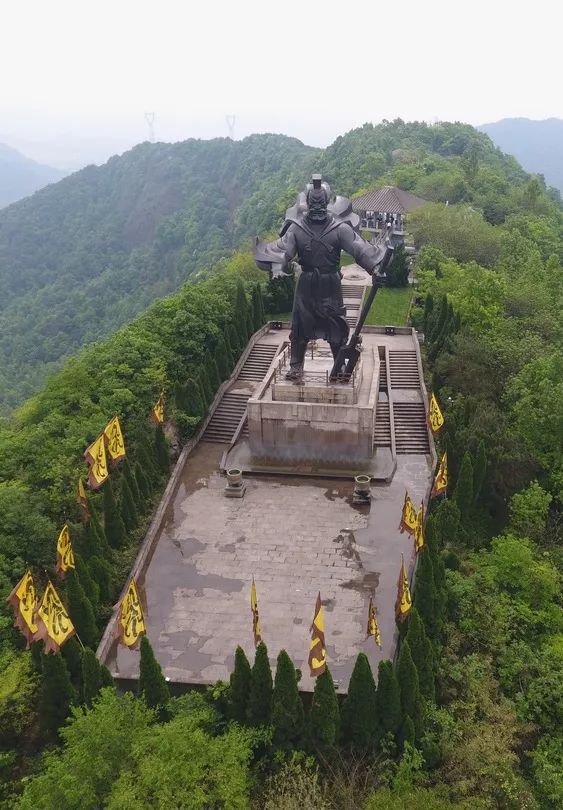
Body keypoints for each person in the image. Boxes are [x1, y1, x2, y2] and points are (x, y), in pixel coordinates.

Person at [254, 175, 388, 380]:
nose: (317, 206)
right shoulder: (297, 229)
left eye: (320, 202)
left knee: (337, 327)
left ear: (326, 203)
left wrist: (375, 267)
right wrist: (278, 267)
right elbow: (283, 251)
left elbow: (360, 249)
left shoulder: (340, 228)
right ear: (307, 203)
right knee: (299, 327)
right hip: (306, 285)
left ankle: (339, 364)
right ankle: (296, 366)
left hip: (330, 284)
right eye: (313, 202)